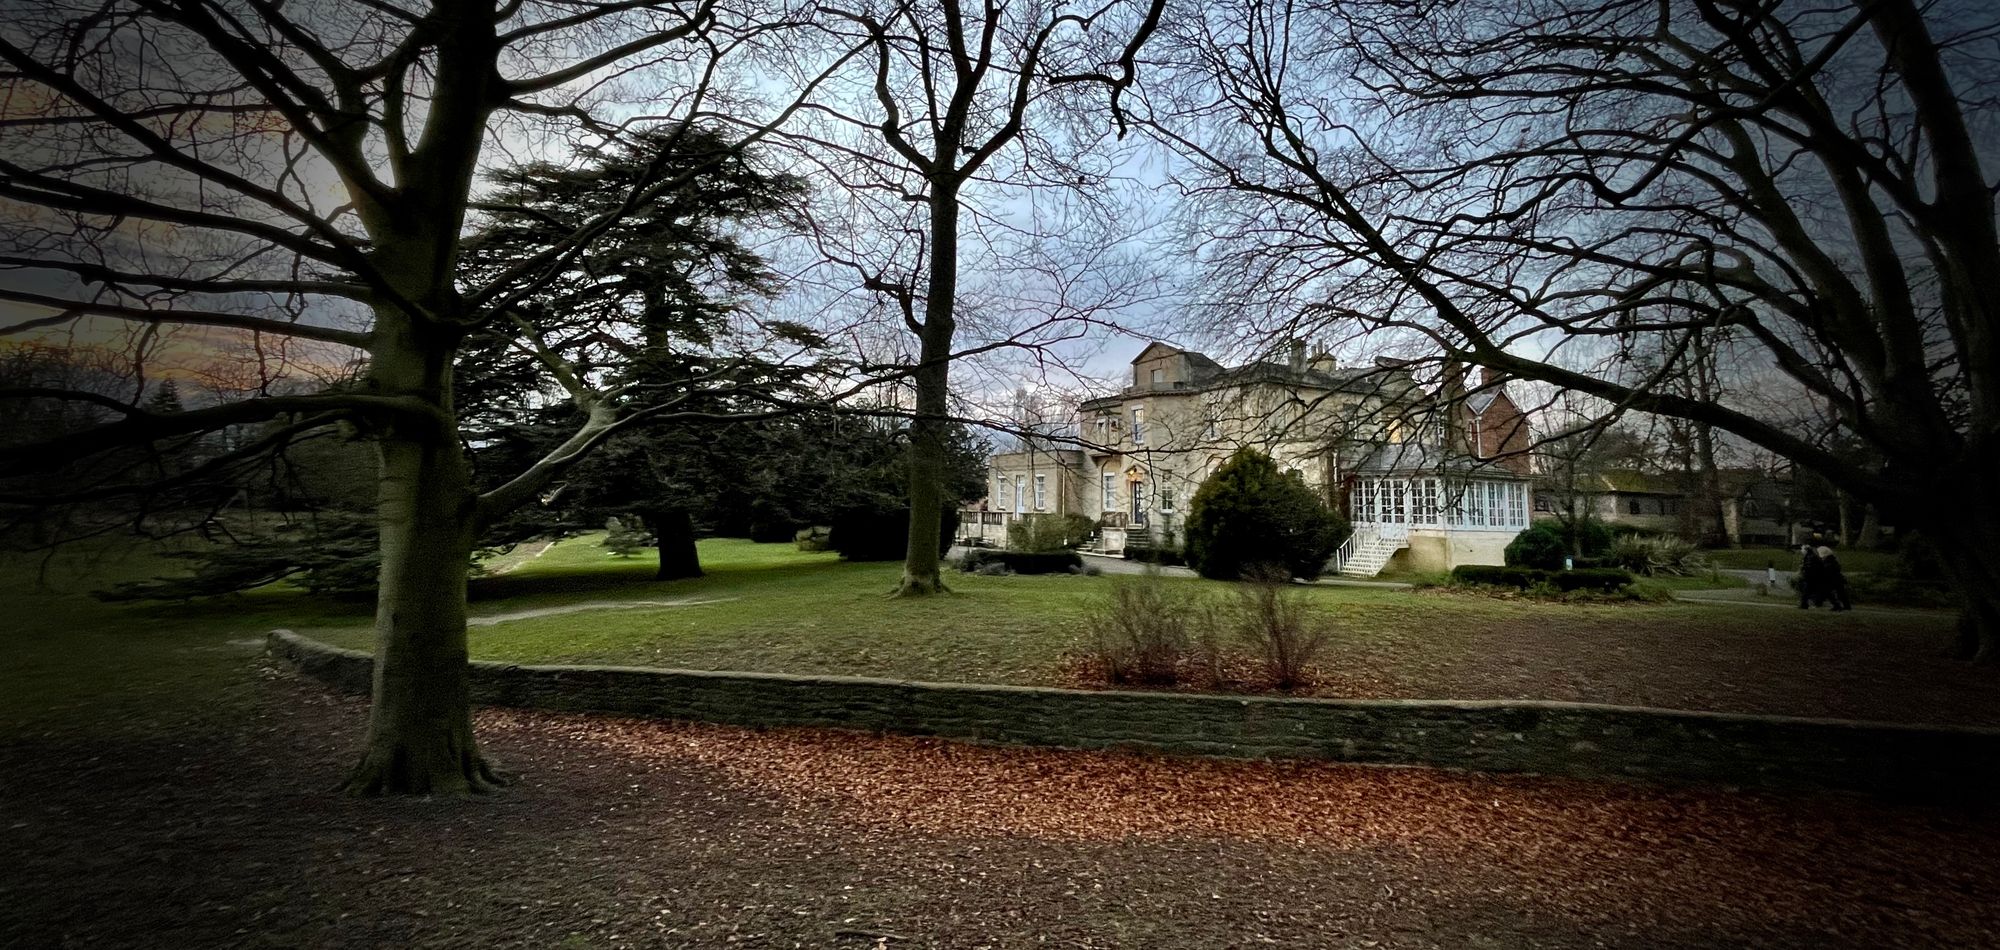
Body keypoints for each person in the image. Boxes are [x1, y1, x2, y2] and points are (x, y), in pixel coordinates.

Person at [1818, 545, 1852, 611]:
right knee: (1841, 593)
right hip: (1837, 579)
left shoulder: (1828, 562)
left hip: (1832, 580)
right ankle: (1846, 606)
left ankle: (1837, 605)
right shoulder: (1832, 560)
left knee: (1828, 592)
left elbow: (1827, 571)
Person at [1798, 544, 1825, 609]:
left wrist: (1803, 568)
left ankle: (1804, 604)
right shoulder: (1811, 556)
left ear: (1806, 550)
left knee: (1806, 591)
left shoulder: (1810, 557)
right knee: (1813, 591)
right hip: (1813, 576)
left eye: (1802, 549)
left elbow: (1810, 567)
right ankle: (1817, 603)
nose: (1801, 551)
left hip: (1811, 577)